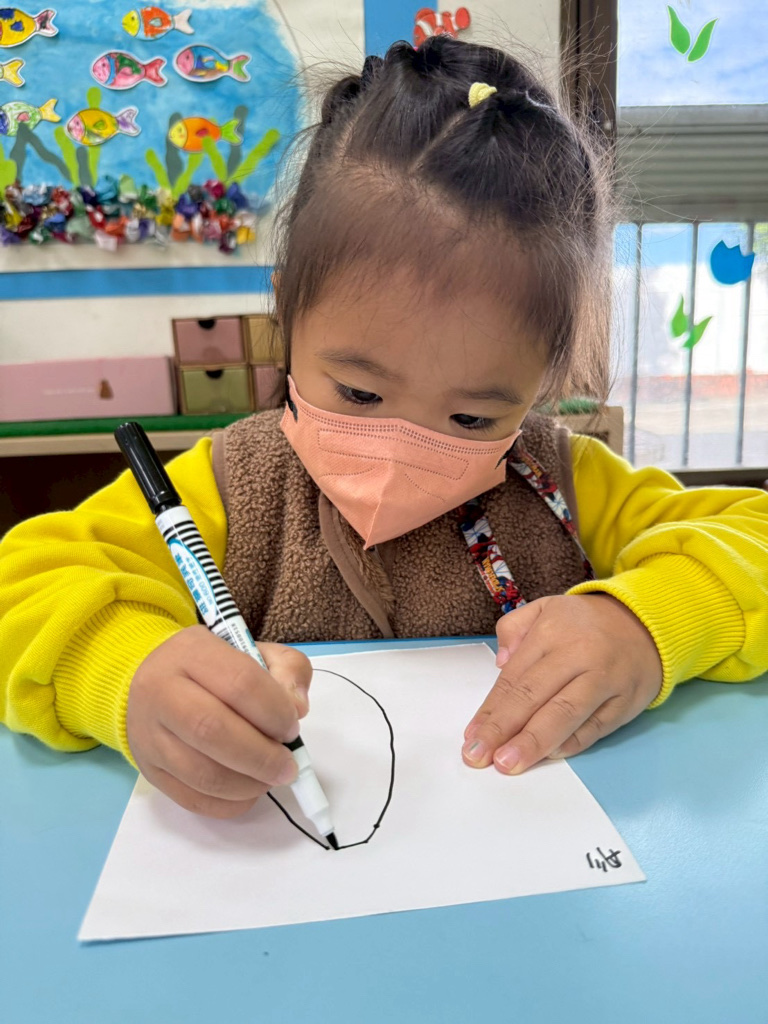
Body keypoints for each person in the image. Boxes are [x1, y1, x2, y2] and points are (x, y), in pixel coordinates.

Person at [1, 37, 767, 820]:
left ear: (544, 379)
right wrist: (126, 672)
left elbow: (756, 537)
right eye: (360, 392)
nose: (401, 449)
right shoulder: (227, 487)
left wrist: (643, 628)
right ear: (288, 314)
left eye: (471, 417)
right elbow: (22, 587)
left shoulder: (564, 482)